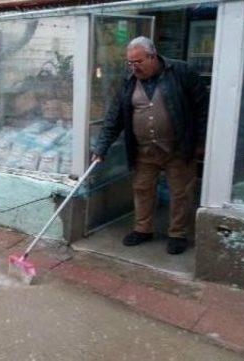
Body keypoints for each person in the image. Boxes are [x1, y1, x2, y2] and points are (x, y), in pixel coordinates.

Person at [91, 36, 208, 255]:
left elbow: (203, 109)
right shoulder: (129, 81)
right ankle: (143, 229)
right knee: (142, 189)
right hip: (143, 150)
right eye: (130, 63)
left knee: (181, 192)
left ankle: (178, 234)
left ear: (153, 56)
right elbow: (113, 118)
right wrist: (101, 148)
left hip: (178, 147)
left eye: (138, 62)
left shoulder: (182, 72)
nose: (134, 67)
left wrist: (201, 141)